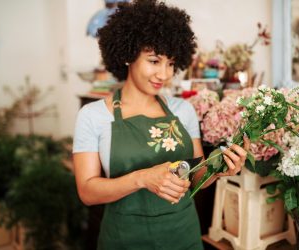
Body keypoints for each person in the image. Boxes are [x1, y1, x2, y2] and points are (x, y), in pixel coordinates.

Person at [73, 0, 249, 249]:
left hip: (182, 235)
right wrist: (142, 178)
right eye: (154, 61)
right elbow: (88, 192)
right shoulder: (93, 116)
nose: (164, 74)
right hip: (124, 239)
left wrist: (220, 169)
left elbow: (196, 176)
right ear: (127, 55)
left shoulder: (182, 110)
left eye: (170, 63)